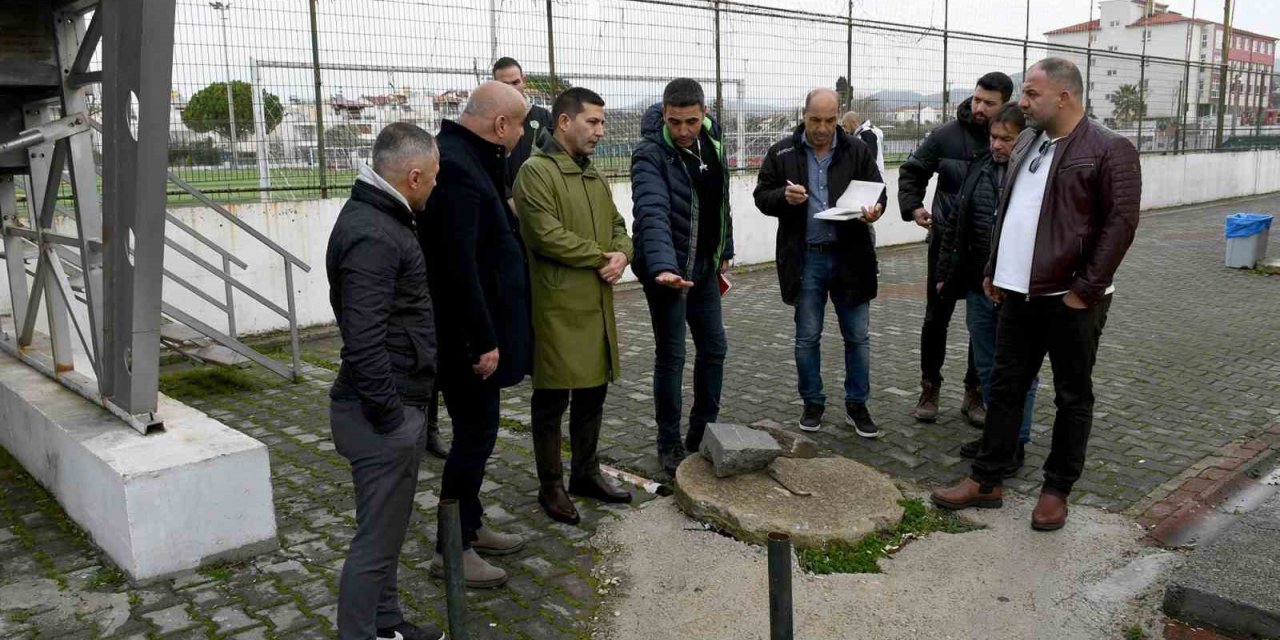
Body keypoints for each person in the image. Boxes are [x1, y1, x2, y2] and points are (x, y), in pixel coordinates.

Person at [931, 58, 1141, 532]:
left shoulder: (1110, 149)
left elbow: (1120, 224)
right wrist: (994, 269)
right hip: (1017, 292)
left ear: (1064, 96)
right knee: (1004, 387)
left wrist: (1084, 290)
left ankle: (1056, 490)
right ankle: (987, 479)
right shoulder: (1029, 140)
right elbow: (1010, 211)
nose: (1020, 103)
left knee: (1072, 395)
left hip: (1071, 298)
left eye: (1030, 93)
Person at [326, 122, 444, 640]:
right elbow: (363, 339)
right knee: (375, 543)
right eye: (434, 178)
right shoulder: (374, 233)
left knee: (386, 532)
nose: (437, 187)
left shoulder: (383, 218)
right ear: (414, 176)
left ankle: (387, 624)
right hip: (380, 412)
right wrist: (393, 419)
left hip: (391, 405)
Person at [422, 81, 532, 588]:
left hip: (476, 333)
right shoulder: (459, 169)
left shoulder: (470, 157)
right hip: (467, 342)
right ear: (502, 125)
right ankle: (452, 547)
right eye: (523, 124)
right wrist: (483, 340)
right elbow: (456, 268)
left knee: (480, 434)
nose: (525, 134)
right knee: (474, 436)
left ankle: (472, 522)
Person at [513, 87, 635, 524]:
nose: (600, 131)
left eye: (602, 123)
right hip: (557, 308)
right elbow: (544, 235)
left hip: (596, 306)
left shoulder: (593, 174)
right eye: (593, 122)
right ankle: (551, 486)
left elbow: (618, 224)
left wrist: (624, 253)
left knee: (593, 393)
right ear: (564, 122)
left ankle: (585, 473)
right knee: (551, 401)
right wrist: (603, 257)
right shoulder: (535, 172)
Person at [754, 89, 886, 437]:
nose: (823, 128)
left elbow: (879, 191)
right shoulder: (782, 151)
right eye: (816, 120)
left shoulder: (856, 149)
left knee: (857, 337)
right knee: (806, 338)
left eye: (830, 120)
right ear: (804, 116)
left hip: (850, 258)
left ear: (838, 116)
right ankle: (812, 402)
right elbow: (761, 196)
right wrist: (783, 196)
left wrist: (874, 210)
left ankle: (857, 405)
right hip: (806, 260)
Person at [630, 78, 734, 481]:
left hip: (704, 269)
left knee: (715, 348)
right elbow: (651, 211)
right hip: (668, 273)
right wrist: (661, 267)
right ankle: (669, 442)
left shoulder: (714, 142)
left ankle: (701, 431)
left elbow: (719, 202)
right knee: (672, 357)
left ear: (704, 113)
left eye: (691, 121)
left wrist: (724, 249)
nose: (684, 131)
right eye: (675, 122)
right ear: (664, 115)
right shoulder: (650, 153)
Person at [898, 71, 1014, 426]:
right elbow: (912, 170)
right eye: (977, 99)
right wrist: (914, 206)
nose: (979, 107)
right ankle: (929, 389)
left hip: (988, 249)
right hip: (946, 244)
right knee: (936, 318)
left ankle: (973, 392)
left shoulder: (1016, 142)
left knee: (983, 324)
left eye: (989, 103)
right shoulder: (945, 135)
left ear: (1005, 104)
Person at [934, 102, 1038, 475]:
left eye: (1005, 139)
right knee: (987, 366)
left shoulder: (1033, 177)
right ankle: (997, 437)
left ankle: (1016, 443)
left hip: (1017, 290)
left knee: (1019, 371)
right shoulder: (979, 168)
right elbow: (955, 224)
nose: (997, 145)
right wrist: (947, 273)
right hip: (979, 288)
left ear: (1024, 139)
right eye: (994, 137)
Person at [493, 56, 554, 196]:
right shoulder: (489, 121)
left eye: (515, 82)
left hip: (540, 199)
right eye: (504, 85)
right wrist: (508, 197)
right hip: (502, 203)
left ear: (524, 81)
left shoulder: (544, 117)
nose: (512, 89)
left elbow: (555, 158)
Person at [841, 110, 885, 178]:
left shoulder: (867, 134)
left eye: (845, 126)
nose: (844, 129)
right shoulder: (861, 134)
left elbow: (870, 159)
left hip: (872, 181)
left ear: (853, 123)